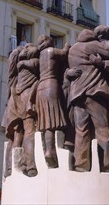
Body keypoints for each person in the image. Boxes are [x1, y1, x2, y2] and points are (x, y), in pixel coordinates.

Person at [68, 29, 109, 172]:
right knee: (103, 129)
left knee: (81, 130)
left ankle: (81, 165)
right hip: (94, 92)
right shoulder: (92, 45)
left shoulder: (73, 50)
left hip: (77, 94)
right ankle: (107, 165)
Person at [2, 43, 40, 177]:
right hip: (25, 99)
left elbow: (12, 59)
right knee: (29, 131)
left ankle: (10, 168)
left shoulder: (15, 74)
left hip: (14, 100)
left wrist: (18, 50)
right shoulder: (35, 64)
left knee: (17, 135)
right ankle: (30, 165)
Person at [36, 35, 70, 167]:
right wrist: (66, 45)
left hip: (40, 88)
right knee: (52, 121)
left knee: (45, 121)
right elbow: (65, 53)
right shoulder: (51, 51)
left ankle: (48, 149)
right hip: (51, 84)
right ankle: (50, 151)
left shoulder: (40, 56)